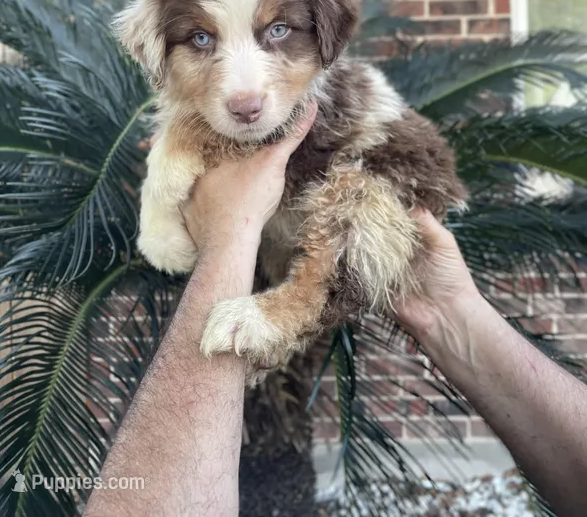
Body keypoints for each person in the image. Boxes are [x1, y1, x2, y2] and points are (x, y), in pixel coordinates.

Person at [85, 103, 587, 517]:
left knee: (343, 207)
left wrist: (228, 239)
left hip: (356, 197)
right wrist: (448, 308)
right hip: (357, 242)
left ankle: (291, 308)